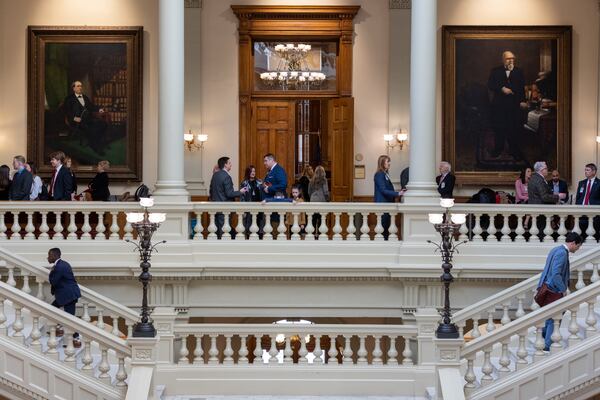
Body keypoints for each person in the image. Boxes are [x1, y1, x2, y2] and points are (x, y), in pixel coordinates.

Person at [537, 232, 582, 351]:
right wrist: (563, 289)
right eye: (578, 246)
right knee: (554, 318)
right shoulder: (562, 253)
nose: (578, 249)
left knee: (550, 317)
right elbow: (556, 274)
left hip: (548, 287)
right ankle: (547, 345)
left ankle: (544, 336)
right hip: (554, 289)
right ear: (573, 243)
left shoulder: (556, 249)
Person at [487, 50, 527, 159]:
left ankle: (513, 150)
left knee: (513, 128)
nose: (511, 60)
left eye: (513, 58)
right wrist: (501, 88)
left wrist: (523, 100)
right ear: (503, 60)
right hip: (499, 106)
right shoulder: (495, 71)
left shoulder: (519, 71)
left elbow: (522, 88)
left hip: (514, 105)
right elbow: (490, 85)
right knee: (499, 128)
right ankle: (498, 150)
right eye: (509, 58)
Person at [47, 247, 82, 347]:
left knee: (69, 319)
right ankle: (59, 328)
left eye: (49, 255)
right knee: (52, 309)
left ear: (54, 255)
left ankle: (76, 340)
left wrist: (51, 271)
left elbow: (53, 281)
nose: (48, 258)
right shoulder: (63, 264)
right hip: (67, 294)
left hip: (68, 295)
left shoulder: (58, 267)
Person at [63, 80, 107, 155]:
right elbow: (66, 111)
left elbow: (91, 106)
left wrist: (99, 109)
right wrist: (74, 118)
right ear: (73, 88)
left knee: (103, 124)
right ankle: (95, 147)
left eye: (81, 86)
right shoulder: (69, 99)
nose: (80, 88)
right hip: (77, 121)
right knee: (92, 128)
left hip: (87, 119)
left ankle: (100, 142)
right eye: (78, 86)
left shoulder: (85, 97)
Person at [209, 156, 247, 237]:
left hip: (214, 208)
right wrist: (240, 191)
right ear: (225, 164)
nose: (231, 165)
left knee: (216, 232)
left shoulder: (215, 175)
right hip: (224, 208)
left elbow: (211, 191)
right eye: (229, 163)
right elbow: (229, 194)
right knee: (224, 233)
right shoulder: (226, 176)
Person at [374, 155, 406, 239]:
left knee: (386, 228)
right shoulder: (379, 174)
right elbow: (383, 190)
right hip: (382, 205)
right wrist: (398, 194)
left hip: (387, 204)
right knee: (383, 228)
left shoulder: (385, 174)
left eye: (389, 161)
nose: (389, 163)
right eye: (387, 161)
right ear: (382, 163)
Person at [575, 163, 600, 240]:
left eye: (588, 170)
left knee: (593, 233)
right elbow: (578, 197)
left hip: (594, 212)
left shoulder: (599, 183)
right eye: (585, 170)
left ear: (594, 172)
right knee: (581, 233)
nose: (585, 172)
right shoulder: (581, 183)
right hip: (581, 211)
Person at [240, 165, 263, 234]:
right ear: (248, 172)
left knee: (259, 226)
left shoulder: (259, 182)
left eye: (254, 171)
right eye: (251, 171)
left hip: (259, 207)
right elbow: (242, 197)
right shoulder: (244, 183)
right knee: (249, 227)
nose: (253, 173)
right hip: (248, 208)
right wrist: (243, 210)